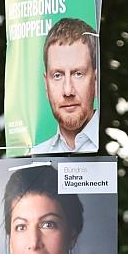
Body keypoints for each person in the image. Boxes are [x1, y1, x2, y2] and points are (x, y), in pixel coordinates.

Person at [31, 17, 99, 154]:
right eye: (57, 75)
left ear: (96, 80)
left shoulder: (116, 147)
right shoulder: (36, 155)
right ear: (46, 84)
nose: (68, 91)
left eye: (78, 74)